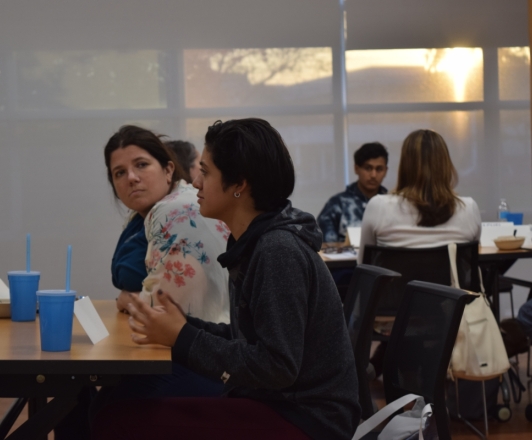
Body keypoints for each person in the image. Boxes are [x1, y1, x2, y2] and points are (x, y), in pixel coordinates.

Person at [91, 118, 361, 440]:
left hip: (308, 420)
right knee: (112, 408)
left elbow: (276, 366)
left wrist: (182, 337)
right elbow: (250, 338)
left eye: (205, 172)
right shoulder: (252, 242)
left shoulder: (277, 250)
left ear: (239, 185)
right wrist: (185, 328)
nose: (195, 182)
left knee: (120, 420)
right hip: (282, 404)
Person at [357, 129, 481, 377]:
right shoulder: (468, 208)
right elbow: (468, 265)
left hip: (390, 313)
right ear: (446, 164)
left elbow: (364, 267)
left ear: (404, 165)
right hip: (450, 312)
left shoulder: (379, 206)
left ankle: (381, 387)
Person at [318, 142, 388, 243]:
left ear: (386, 170)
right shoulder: (337, 204)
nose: (373, 175)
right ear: (356, 169)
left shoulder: (393, 205)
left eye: (379, 169)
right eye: (368, 168)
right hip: (346, 258)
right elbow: (325, 248)